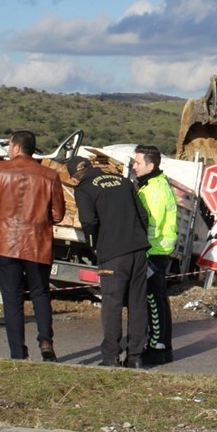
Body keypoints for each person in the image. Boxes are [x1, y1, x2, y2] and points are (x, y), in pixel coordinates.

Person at [0, 130, 65, 361]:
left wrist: (1, 211)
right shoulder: (49, 175)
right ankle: (45, 342)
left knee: (12, 299)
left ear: (15, 147)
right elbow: (57, 214)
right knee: (40, 293)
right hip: (37, 242)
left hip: (5, 241)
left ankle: (17, 353)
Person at [69, 155, 150, 369]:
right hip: (138, 249)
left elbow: (88, 222)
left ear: (76, 177)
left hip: (113, 254)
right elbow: (143, 215)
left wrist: (95, 244)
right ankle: (135, 357)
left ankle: (110, 357)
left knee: (112, 304)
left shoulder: (84, 189)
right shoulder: (124, 182)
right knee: (137, 303)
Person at [131, 144, 177, 365]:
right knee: (159, 299)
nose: (134, 166)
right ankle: (163, 346)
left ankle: (156, 348)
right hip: (158, 249)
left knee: (153, 300)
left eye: (137, 162)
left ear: (150, 165)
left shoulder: (155, 189)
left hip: (154, 250)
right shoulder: (153, 183)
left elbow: (153, 224)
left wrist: (140, 248)